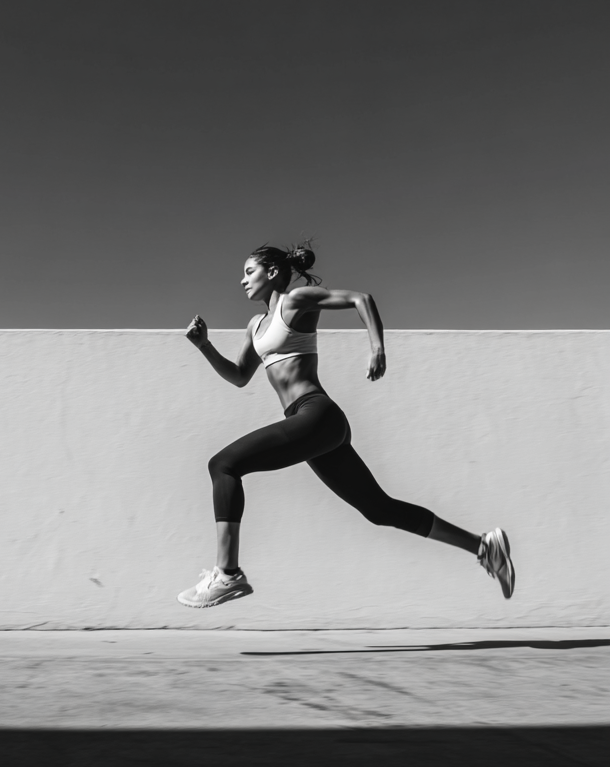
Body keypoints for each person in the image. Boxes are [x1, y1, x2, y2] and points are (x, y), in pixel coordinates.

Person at [177, 242, 515, 609]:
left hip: (316, 414)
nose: (242, 281)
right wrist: (205, 346)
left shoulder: (296, 301)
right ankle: (484, 546)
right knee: (379, 509)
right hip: (310, 425)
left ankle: (227, 573)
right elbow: (241, 376)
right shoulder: (256, 326)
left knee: (223, 465)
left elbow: (362, 299)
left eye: (248, 272)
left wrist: (377, 348)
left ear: (271, 272)